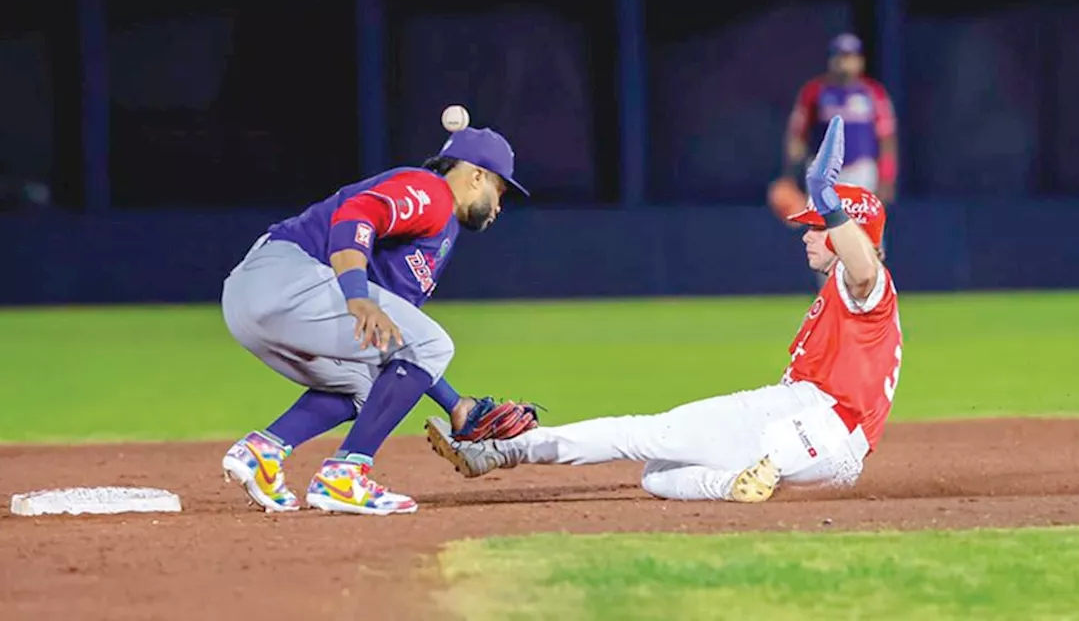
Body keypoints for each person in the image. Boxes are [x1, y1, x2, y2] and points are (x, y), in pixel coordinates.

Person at [426, 117, 903, 503]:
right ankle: (737, 486)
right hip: (832, 458)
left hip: (811, 421)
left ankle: (498, 452)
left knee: (641, 435)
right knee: (658, 477)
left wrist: (829, 200)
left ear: (847, 232)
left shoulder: (864, 285)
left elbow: (865, 268)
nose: (807, 234)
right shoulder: (847, 294)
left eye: (817, 226)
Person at [219, 126, 539, 516]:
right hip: (284, 274)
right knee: (436, 343)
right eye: (500, 190)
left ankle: (262, 452)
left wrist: (456, 406)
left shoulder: (440, 235)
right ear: (476, 176)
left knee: (369, 384)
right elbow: (356, 214)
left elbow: (398, 349)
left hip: (256, 304)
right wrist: (356, 294)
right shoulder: (431, 193)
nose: (499, 205)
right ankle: (345, 474)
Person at [770, 32, 899, 286]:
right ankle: (830, 294)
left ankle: (871, 295)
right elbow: (797, 135)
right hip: (825, 176)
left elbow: (886, 139)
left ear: (860, 60)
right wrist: (790, 175)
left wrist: (887, 176)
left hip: (862, 170)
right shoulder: (815, 92)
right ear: (832, 60)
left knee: (869, 233)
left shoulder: (873, 93)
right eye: (841, 57)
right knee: (823, 236)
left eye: (850, 57)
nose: (845, 63)